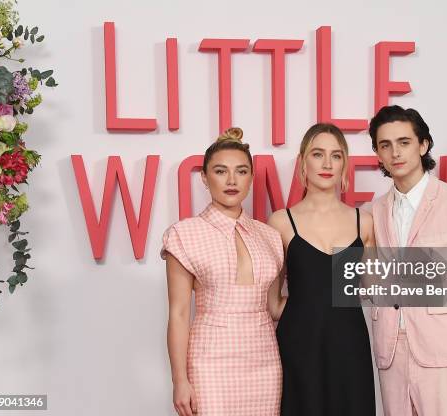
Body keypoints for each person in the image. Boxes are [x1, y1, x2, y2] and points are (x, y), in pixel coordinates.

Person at [367, 105, 447, 415]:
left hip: (444, 354)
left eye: (404, 142)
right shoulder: (373, 211)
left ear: (423, 145)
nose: (395, 152)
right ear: (378, 153)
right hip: (391, 353)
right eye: (385, 145)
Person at [161, 128, 285, 416]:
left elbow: (274, 306)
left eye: (241, 171)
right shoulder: (184, 234)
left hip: (264, 360)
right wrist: (180, 380)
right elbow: (179, 313)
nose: (232, 180)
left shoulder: (269, 236)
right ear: (204, 177)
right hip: (211, 360)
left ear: (251, 178)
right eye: (220, 171)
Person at [268, 123, 376, 416]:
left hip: (349, 345)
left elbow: (373, 292)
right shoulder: (280, 222)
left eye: (336, 155)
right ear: (303, 161)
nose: (327, 164)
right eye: (318, 154)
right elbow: (273, 304)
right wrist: (308, 305)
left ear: (345, 164)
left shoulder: (363, 222)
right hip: (299, 347)